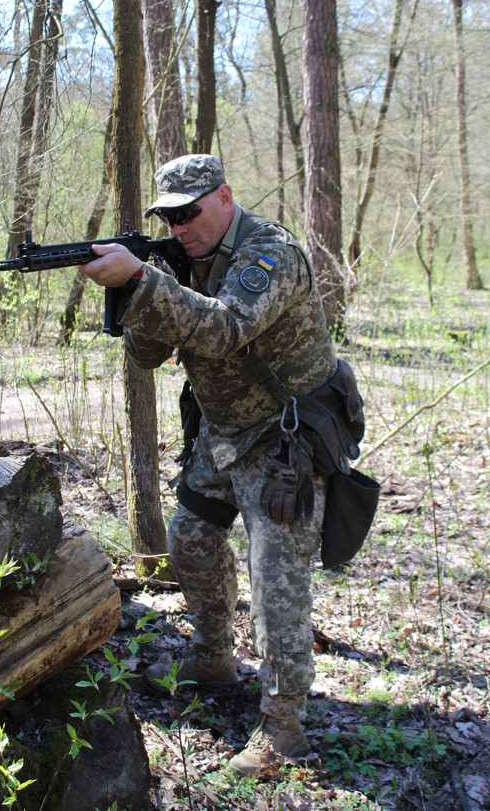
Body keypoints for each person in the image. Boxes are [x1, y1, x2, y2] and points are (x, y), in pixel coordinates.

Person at [79, 154, 338, 776]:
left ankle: (284, 731)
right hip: (221, 435)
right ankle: (213, 657)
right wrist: (134, 292)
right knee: (190, 538)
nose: (179, 227)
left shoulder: (269, 253)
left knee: (275, 579)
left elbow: (224, 330)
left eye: (189, 213)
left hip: (285, 441)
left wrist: (144, 281)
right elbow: (150, 355)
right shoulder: (181, 258)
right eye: (167, 218)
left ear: (224, 197)